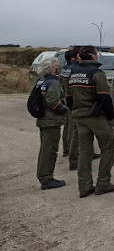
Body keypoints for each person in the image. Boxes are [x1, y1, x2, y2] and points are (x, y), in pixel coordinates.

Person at [67, 45, 114, 198]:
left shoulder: (73, 73)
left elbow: (68, 98)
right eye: (97, 54)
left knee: (84, 152)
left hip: (79, 116)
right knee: (109, 147)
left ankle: (84, 186)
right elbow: (104, 96)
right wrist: (111, 115)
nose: (98, 56)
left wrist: (74, 111)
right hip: (95, 116)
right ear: (93, 56)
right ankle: (103, 183)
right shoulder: (97, 73)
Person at [35, 57, 68, 190]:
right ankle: (46, 179)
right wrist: (66, 110)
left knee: (45, 149)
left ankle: (44, 176)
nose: (58, 68)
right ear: (50, 67)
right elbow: (53, 102)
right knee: (49, 150)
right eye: (56, 66)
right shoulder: (52, 83)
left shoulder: (41, 81)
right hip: (51, 121)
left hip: (44, 119)